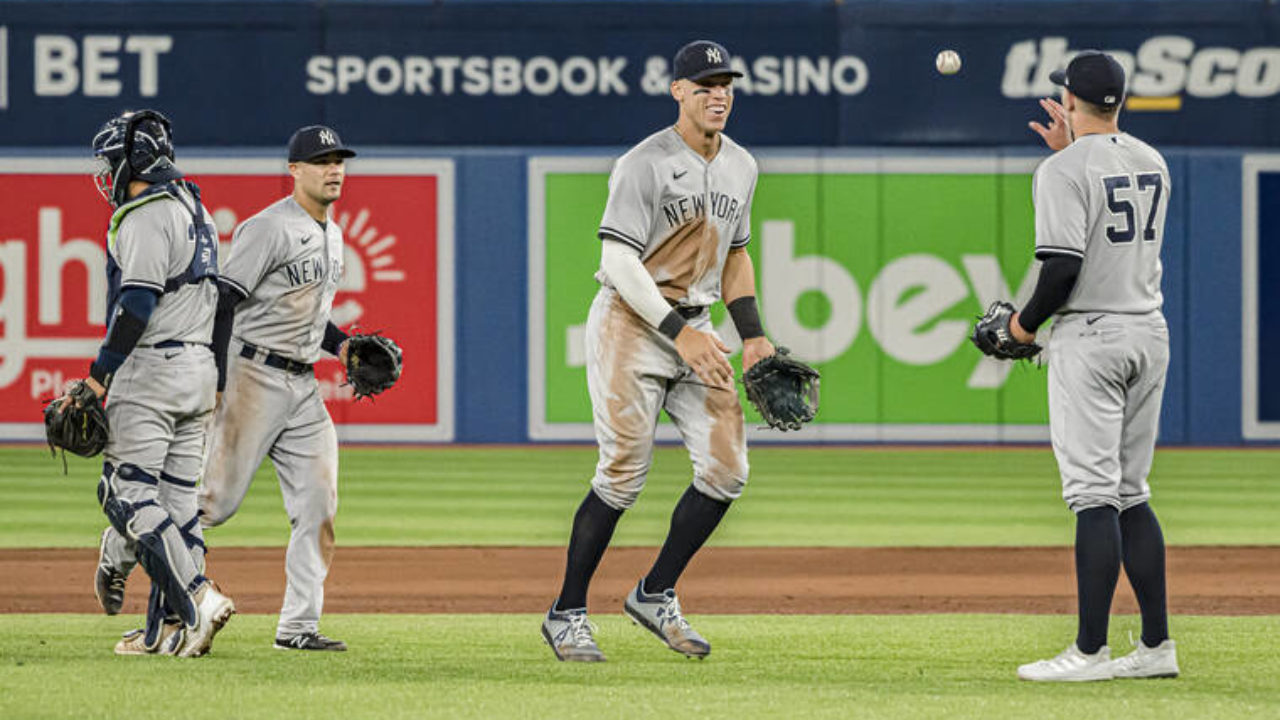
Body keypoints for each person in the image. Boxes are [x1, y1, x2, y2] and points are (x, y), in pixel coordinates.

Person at [541, 40, 773, 662]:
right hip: (633, 324)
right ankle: (566, 612)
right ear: (678, 92)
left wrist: (750, 333)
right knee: (622, 474)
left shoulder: (742, 166)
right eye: (704, 85)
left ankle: (655, 591)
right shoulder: (645, 163)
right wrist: (681, 333)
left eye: (726, 83)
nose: (718, 94)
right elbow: (617, 260)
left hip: (697, 326)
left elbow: (737, 254)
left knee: (727, 473)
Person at [95, 125, 357, 652]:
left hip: (305, 386)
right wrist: (218, 377)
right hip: (253, 377)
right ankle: (143, 575)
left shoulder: (334, 233)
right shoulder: (269, 228)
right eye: (322, 160)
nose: (334, 168)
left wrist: (343, 347)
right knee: (208, 504)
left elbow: (307, 313)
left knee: (318, 504)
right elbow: (225, 299)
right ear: (295, 171)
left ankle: (298, 627)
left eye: (339, 160)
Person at [1011, 51, 1178, 681]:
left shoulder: (1062, 169)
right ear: (1120, 101)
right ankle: (1157, 647)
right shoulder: (1152, 159)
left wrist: (1021, 327)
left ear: (1071, 101)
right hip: (1148, 330)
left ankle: (1089, 652)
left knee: (1093, 497)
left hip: (1093, 335)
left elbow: (1062, 269)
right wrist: (1072, 149)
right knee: (1132, 493)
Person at [78, 108, 235, 656]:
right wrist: (216, 374)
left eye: (113, 159)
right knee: (178, 506)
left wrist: (99, 377)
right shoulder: (198, 208)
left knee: (125, 493)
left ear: (135, 160)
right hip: (196, 370)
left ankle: (197, 599)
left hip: (153, 367)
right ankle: (165, 632)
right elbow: (224, 303)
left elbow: (137, 301)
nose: (107, 171)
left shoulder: (145, 214)